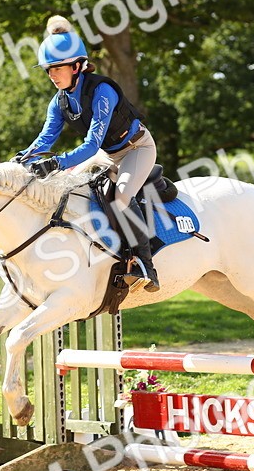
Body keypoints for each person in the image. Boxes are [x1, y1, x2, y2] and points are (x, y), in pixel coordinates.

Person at [16, 15, 160, 291]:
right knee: (71, 189)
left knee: (120, 197)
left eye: (57, 68)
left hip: (136, 149)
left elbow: (92, 144)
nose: (52, 75)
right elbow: (45, 137)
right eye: (48, 69)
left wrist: (57, 162)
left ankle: (145, 264)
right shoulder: (58, 102)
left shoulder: (102, 90)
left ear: (77, 66)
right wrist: (23, 157)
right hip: (107, 153)